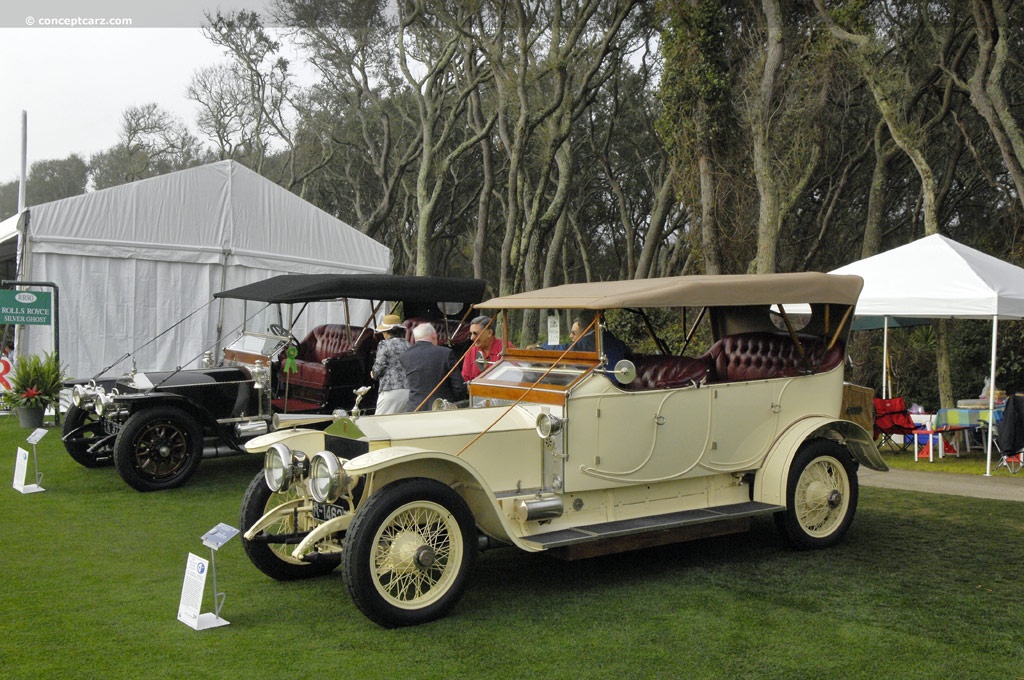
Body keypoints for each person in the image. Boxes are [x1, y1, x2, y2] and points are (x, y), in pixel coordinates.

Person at [400, 322, 467, 412]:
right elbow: (458, 386)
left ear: (415, 338)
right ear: (434, 335)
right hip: (441, 407)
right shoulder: (446, 353)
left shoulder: (404, 356)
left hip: (415, 407)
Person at [574, 309, 632, 383]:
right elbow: (628, 352)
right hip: (620, 380)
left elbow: (566, 349)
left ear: (580, 325)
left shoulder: (590, 340)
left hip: (605, 382)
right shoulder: (611, 338)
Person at [370, 314, 410, 414]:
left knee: (379, 423)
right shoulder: (407, 344)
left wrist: (373, 374)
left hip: (390, 390)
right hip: (408, 390)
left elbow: (379, 367)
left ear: (387, 332)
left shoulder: (384, 344)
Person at [461, 314, 506, 382]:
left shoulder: (506, 348)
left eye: (475, 333)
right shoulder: (471, 351)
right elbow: (465, 379)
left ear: (489, 333)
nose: (472, 338)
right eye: (471, 334)